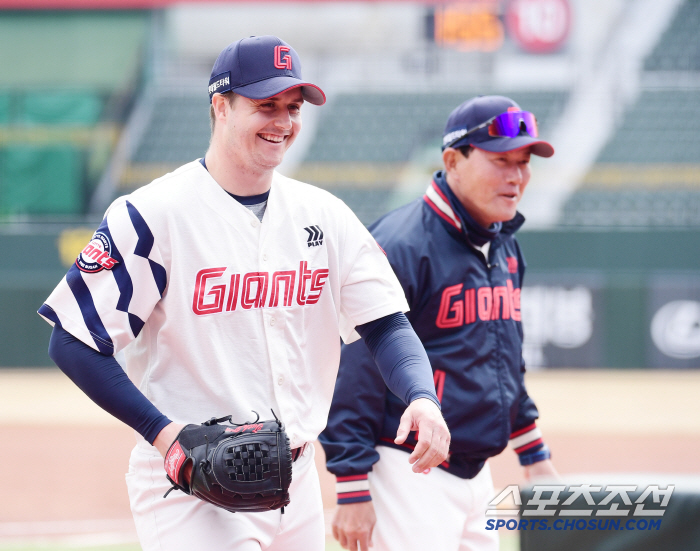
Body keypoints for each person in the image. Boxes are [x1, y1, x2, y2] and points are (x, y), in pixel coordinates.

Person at [38, 35, 450, 551]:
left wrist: (422, 397)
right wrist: (166, 437)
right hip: (189, 486)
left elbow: (386, 323)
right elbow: (72, 340)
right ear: (220, 106)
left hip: (295, 480)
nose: (282, 122)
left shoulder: (324, 215)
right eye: (265, 105)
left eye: (292, 108)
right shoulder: (153, 214)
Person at [319, 95, 560, 551]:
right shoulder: (400, 244)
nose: (517, 175)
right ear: (453, 160)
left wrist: (535, 456)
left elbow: (505, 364)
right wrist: (352, 485)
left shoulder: (503, 243)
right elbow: (351, 372)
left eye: (524, 161)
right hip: (407, 469)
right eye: (501, 160)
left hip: (475, 471)